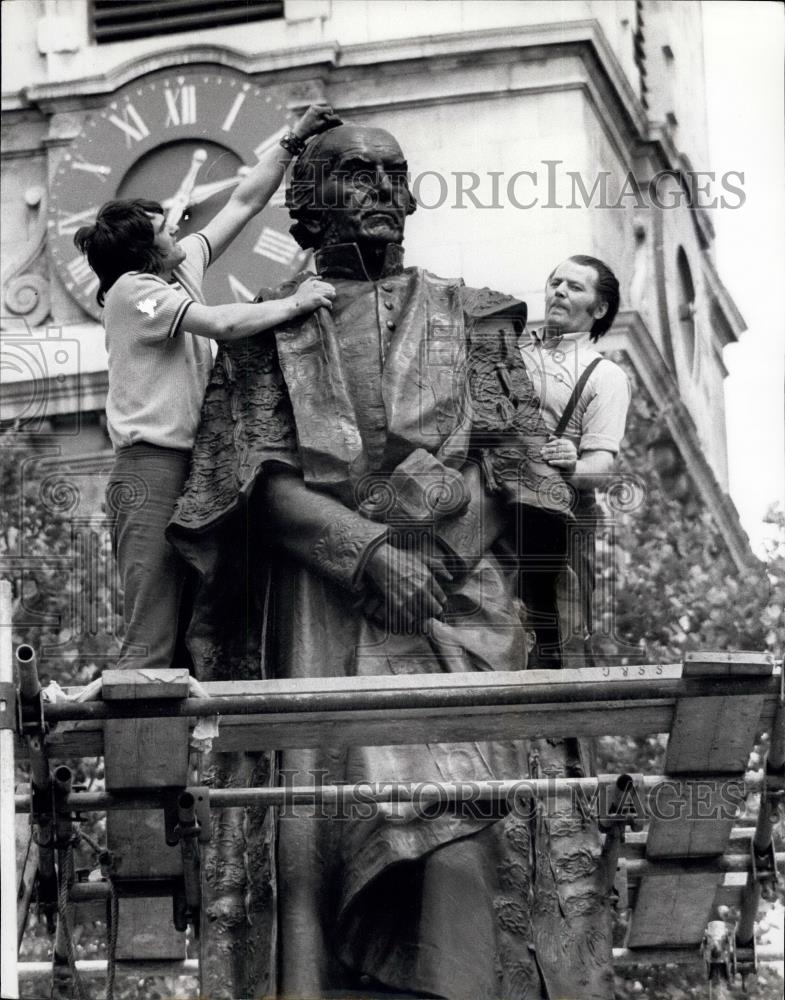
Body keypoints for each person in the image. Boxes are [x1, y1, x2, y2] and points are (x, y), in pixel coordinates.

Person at [169, 125, 615, 999]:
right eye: (353, 175)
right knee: (321, 839)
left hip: (463, 601)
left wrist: (434, 555)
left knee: (467, 827)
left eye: (392, 175)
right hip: (323, 606)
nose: (379, 189)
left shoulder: (478, 316)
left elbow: (517, 462)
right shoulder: (263, 327)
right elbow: (246, 479)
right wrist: (366, 550)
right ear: (305, 202)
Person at [72, 104, 339, 672]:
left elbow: (243, 201)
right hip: (149, 467)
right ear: (146, 250)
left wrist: (293, 140)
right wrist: (295, 302)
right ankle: (139, 739)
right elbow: (220, 323)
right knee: (152, 631)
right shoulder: (133, 293)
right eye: (166, 227)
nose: (180, 226)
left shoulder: (176, 267)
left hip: (194, 464)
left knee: (200, 625)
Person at [518, 255, 631, 668]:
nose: (559, 291)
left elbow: (602, 466)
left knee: (557, 643)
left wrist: (571, 462)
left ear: (599, 309)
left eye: (574, 287)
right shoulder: (514, 351)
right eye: (555, 282)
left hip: (557, 521)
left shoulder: (605, 375)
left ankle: (557, 726)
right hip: (497, 501)